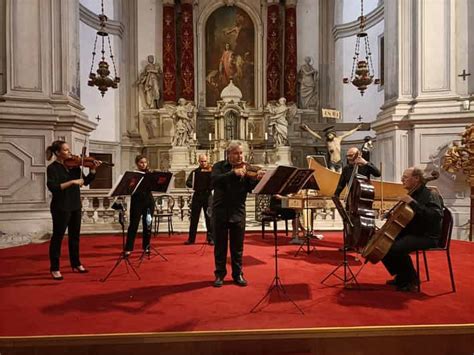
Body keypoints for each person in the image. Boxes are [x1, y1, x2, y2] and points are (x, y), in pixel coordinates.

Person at [211, 141, 265, 287]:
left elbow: (251, 189)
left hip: (238, 211)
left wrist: (257, 180)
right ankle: (220, 274)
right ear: (229, 154)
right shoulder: (219, 166)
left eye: (241, 153)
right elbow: (214, 181)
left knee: (237, 247)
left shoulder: (247, 169)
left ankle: (238, 274)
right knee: (220, 246)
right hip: (220, 211)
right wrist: (232, 173)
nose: (240, 156)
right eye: (236, 153)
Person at [382, 167, 444, 292]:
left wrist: (412, 203)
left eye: (405, 177)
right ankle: (402, 276)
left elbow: (435, 216)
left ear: (416, 179)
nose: (401, 180)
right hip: (413, 232)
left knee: (395, 248)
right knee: (382, 245)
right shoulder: (413, 193)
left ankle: (411, 280)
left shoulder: (431, 194)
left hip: (427, 236)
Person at [46, 140, 101, 280]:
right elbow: (54, 188)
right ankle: (55, 268)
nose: (69, 153)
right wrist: (72, 182)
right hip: (61, 206)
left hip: (75, 204)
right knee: (58, 238)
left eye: (69, 150)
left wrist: (93, 170)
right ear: (57, 153)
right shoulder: (52, 168)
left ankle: (76, 263)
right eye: (65, 150)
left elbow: (86, 181)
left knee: (75, 237)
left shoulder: (75, 166)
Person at [124, 155, 155, 256]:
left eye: (145, 162)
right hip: (137, 202)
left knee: (148, 225)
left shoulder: (150, 174)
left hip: (148, 202)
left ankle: (146, 247)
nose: (143, 164)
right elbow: (129, 188)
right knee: (133, 225)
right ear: (137, 164)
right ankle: (128, 248)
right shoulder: (133, 175)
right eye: (141, 162)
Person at [185, 154, 213, 245]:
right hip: (197, 196)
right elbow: (188, 182)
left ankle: (211, 239)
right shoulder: (195, 172)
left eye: (205, 161)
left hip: (207, 196)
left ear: (207, 161)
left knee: (209, 218)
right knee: (194, 218)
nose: (203, 163)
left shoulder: (211, 172)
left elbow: (215, 182)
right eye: (201, 161)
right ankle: (191, 239)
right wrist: (193, 184)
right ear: (199, 161)